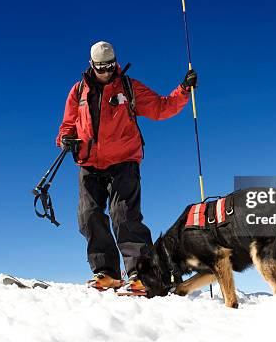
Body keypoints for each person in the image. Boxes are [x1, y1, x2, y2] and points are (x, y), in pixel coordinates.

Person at [56, 41, 197, 294]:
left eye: (110, 66)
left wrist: (184, 89)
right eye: (101, 67)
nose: (106, 72)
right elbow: (68, 124)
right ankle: (107, 273)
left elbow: (161, 107)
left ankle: (142, 276)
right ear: (91, 65)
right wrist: (65, 138)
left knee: (124, 216)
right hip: (89, 164)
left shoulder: (129, 87)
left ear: (115, 63)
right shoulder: (78, 92)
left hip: (124, 162)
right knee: (88, 216)